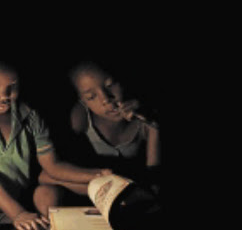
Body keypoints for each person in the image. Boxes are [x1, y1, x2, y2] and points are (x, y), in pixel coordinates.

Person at [0, 47, 111, 230]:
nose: (4, 95)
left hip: (9, 214)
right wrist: (18, 213)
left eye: (13, 86)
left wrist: (99, 174)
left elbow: (52, 166)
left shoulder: (29, 116)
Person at [39, 61, 160, 197]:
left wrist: (153, 124)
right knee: (45, 185)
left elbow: (154, 179)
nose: (106, 99)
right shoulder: (81, 117)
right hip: (94, 187)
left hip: (133, 190)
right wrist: (101, 177)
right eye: (91, 97)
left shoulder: (146, 118)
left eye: (110, 85)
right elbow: (51, 172)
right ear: (83, 101)